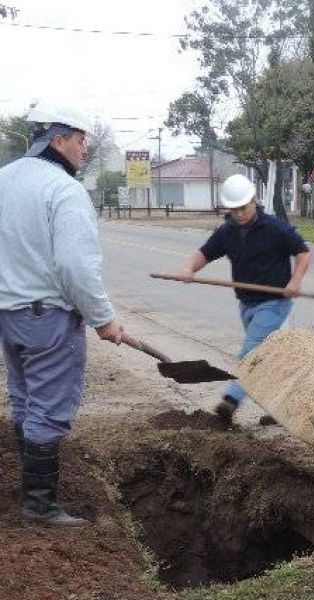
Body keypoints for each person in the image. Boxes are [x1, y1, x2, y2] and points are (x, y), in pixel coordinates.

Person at [0, 100, 125, 526]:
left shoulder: (4, 180)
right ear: (57, 140)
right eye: (80, 140)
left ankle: (29, 492)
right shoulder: (64, 190)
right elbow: (74, 266)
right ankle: (40, 505)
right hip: (49, 319)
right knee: (49, 407)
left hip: (10, 315)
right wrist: (104, 317)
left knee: (25, 399)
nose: (84, 149)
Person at [180, 174, 310, 423]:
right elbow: (204, 253)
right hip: (246, 303)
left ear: (253, 201)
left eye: (243, 207)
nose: (239, 213)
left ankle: (231, 400)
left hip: (274, 303)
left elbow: (303, 253)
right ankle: (280, 410)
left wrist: (295, 281)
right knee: (263, 358)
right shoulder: (226, 232)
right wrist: (190, 269)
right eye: (234, 209)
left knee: (250, 353)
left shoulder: (275, 228)